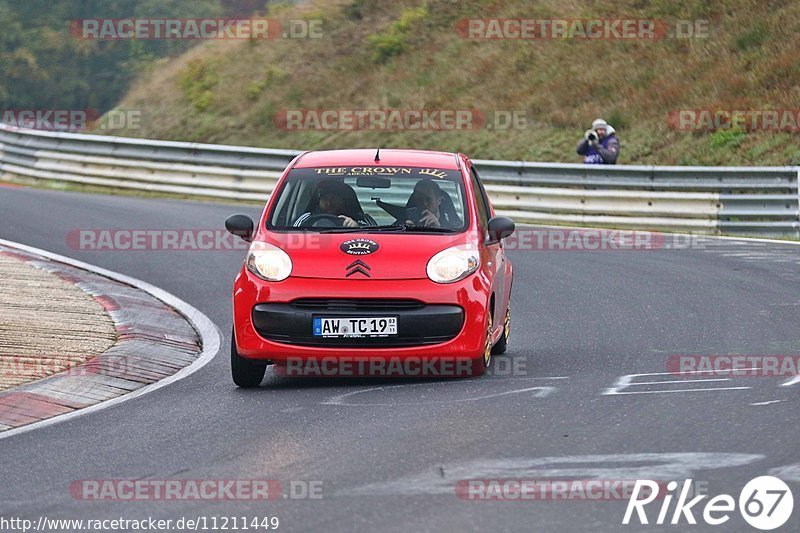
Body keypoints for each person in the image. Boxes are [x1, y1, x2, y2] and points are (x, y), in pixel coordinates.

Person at [293, 179, 376, 227]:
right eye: (325, 199)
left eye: (334, 199)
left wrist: (357, 227)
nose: (329, 203)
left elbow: (378, 239)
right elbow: (290, 235)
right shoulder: (306, 218)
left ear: (344, 200)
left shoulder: (364, 220)